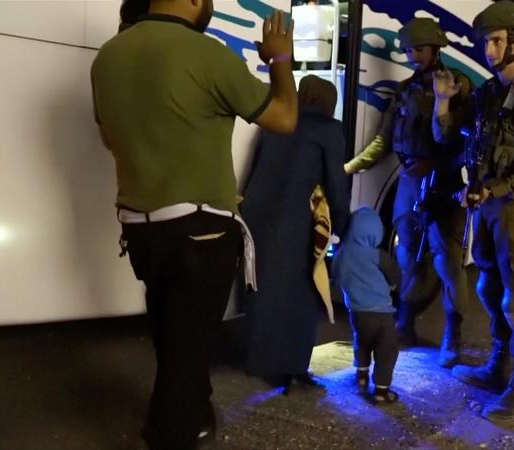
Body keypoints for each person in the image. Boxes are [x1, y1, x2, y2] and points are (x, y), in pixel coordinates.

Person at [90, 0, 298, 447]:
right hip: (200, 231)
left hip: (140, 229)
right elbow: (284, 117)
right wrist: (281, 57)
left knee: (172, 331)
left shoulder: (108, 55)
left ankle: (194, 408)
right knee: (187, 348)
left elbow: (109, 137)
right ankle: (171, 431)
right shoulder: (209, 53)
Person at [432, 0, 514, 422]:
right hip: (488, 207)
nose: (487, 50)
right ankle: (498, 366)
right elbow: (452, 139)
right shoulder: (489, 93)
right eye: (484, 42)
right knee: (490, 288)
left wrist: (498, 190)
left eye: (495, 41)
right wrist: (442, 102)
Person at [344, 18, 471, 368]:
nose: (413, 55)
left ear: (435, 48)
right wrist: (350, 167)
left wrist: (437, 165)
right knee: (406, 257)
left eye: (419, 48)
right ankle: (405, 324)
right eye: (410, 50)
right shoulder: (404, 90)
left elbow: (467, 140)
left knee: (448, 263)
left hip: (443, 183)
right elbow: (386, 140)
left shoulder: (457, 85)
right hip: (410, 182)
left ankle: (453, 335)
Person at [242, 75, 349, 392]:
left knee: (263, 291)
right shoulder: (329, 129)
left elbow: (255, 169)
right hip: (292, 220)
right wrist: (341, 226)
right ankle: (291, 369)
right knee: (302, 295)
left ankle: (263, 363)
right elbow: (335, 182)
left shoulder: (276, 121)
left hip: (256, 215)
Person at [332, 207, 401, 404]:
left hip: (356, 311)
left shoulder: (341, 254)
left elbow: (336, 275)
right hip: (381, 312)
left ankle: (361, 374)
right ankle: (381, 390)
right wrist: (394, 286)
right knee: (386, 349)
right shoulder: (377, 255)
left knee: (362, 341)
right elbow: (394, 274)